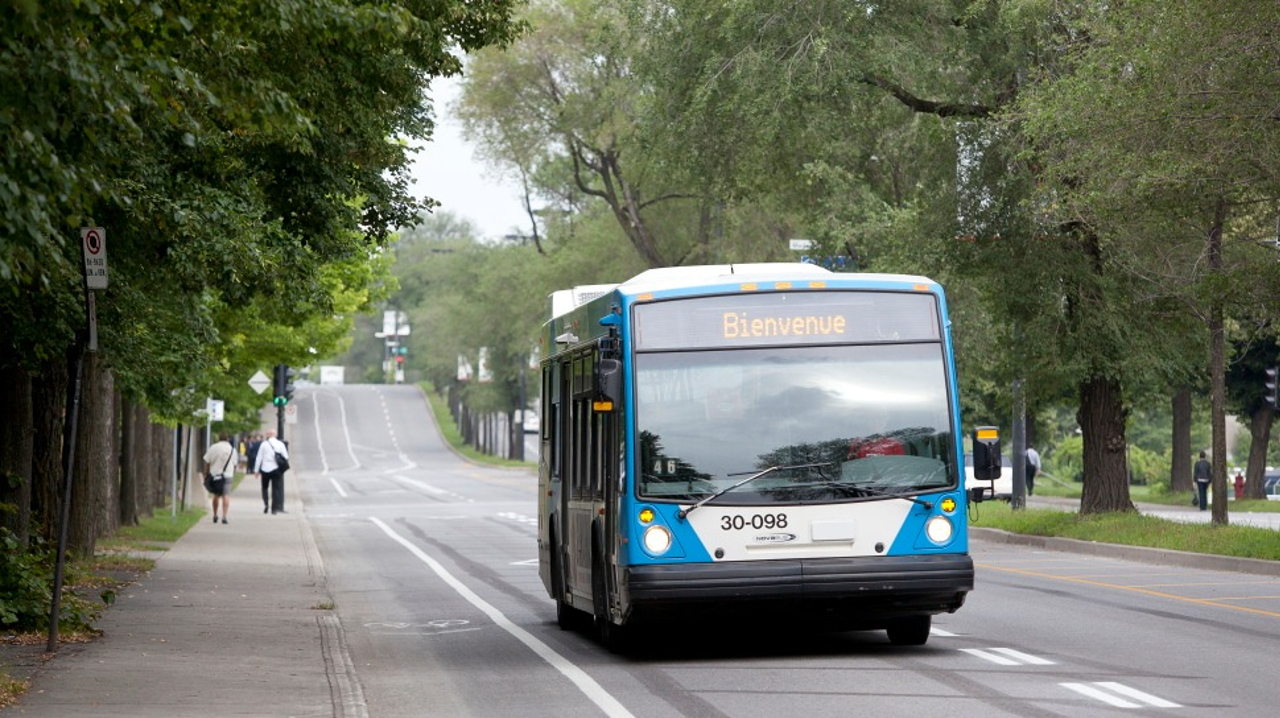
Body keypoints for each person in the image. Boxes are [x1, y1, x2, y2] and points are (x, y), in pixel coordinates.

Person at [202, 432, 237, 524]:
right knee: (226, 495)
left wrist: (206, 473)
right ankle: (224, 516)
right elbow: (235, 463)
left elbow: (207, 461)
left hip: (215, 475)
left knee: (216, 495)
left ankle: (215, 514)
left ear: (219, 438)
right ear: (227, 439)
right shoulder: (232, 449)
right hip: (228, 475)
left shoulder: (213, 447)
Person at [253, 430, 290, 515]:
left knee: (264, 487)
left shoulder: (264, 444)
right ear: (275, 435)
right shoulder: (280, 444)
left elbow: (259, 458)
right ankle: (274, 508)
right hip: (276, 469)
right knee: (276, 489)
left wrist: (256, 470)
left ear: (268, 435)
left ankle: (266, 504)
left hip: (265, 469)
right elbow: (286, 456)